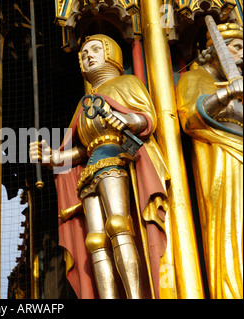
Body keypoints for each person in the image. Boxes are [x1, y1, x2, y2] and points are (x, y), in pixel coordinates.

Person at [30, 34, 169, 299]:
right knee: (94, 240)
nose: (88, 56)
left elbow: (146, 118)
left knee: (118, 224)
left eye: (95, 50)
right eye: (83, 54)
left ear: (112, 54)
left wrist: (126, 119)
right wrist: (54, 157)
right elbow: (82, 148)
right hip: (90, 172)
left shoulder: (126, 83)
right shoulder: (84, 105)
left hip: (116, 160)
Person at [176, 22, 242, 299]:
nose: (243, 53)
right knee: (232, 226)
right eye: (237, 47)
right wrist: (227, 93)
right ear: (215, 49)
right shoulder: (195, 78)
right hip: (223, 159)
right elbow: (190, 117)